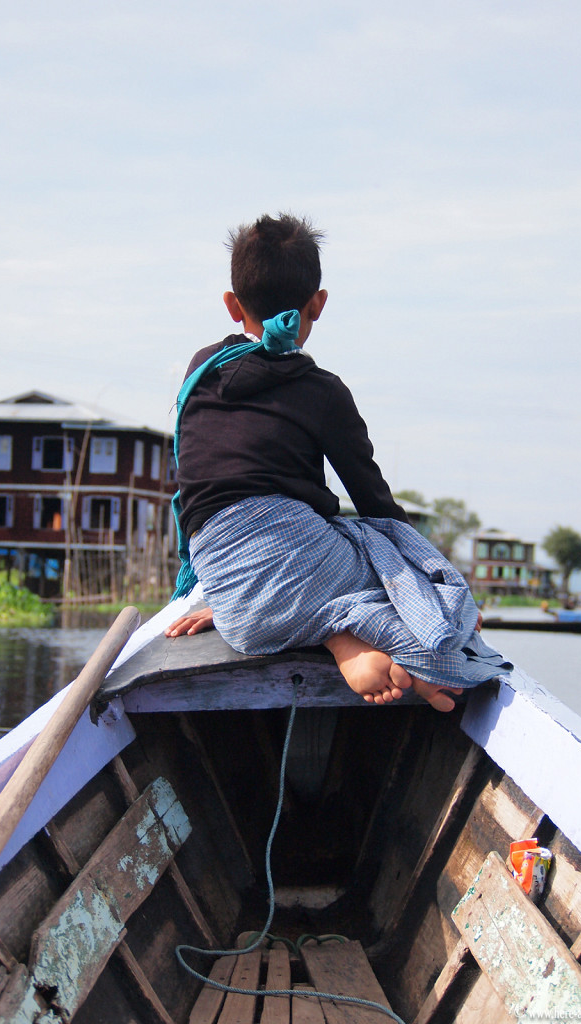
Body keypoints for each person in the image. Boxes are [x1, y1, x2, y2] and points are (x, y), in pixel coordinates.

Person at [165, 213, 510, 709]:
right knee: (380, 547)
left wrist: (228, 592)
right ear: (318, 305)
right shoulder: (323, 391)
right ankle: (426, 657)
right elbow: (375, 502)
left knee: (316, 571)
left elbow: (197, 479)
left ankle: (340, 640)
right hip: (291, 563)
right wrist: (432, 581)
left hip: (233, 596)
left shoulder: (200, 368)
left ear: (231, 305)